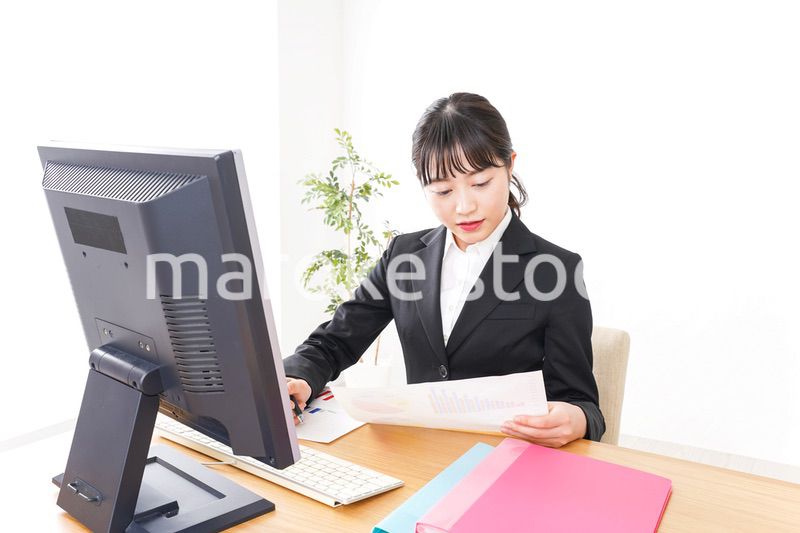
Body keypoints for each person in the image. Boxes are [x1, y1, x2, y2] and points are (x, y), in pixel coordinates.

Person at [283, 92, 604, 447]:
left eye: (480, 183)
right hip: (420, 455)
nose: (464, 206)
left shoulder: (555, 270)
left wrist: (575, 419)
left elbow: (582, 403)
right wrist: (298, 377)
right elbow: (335, 341)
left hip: (510, 459)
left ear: (510, 165)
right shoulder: (404, 257)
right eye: (443, 190)